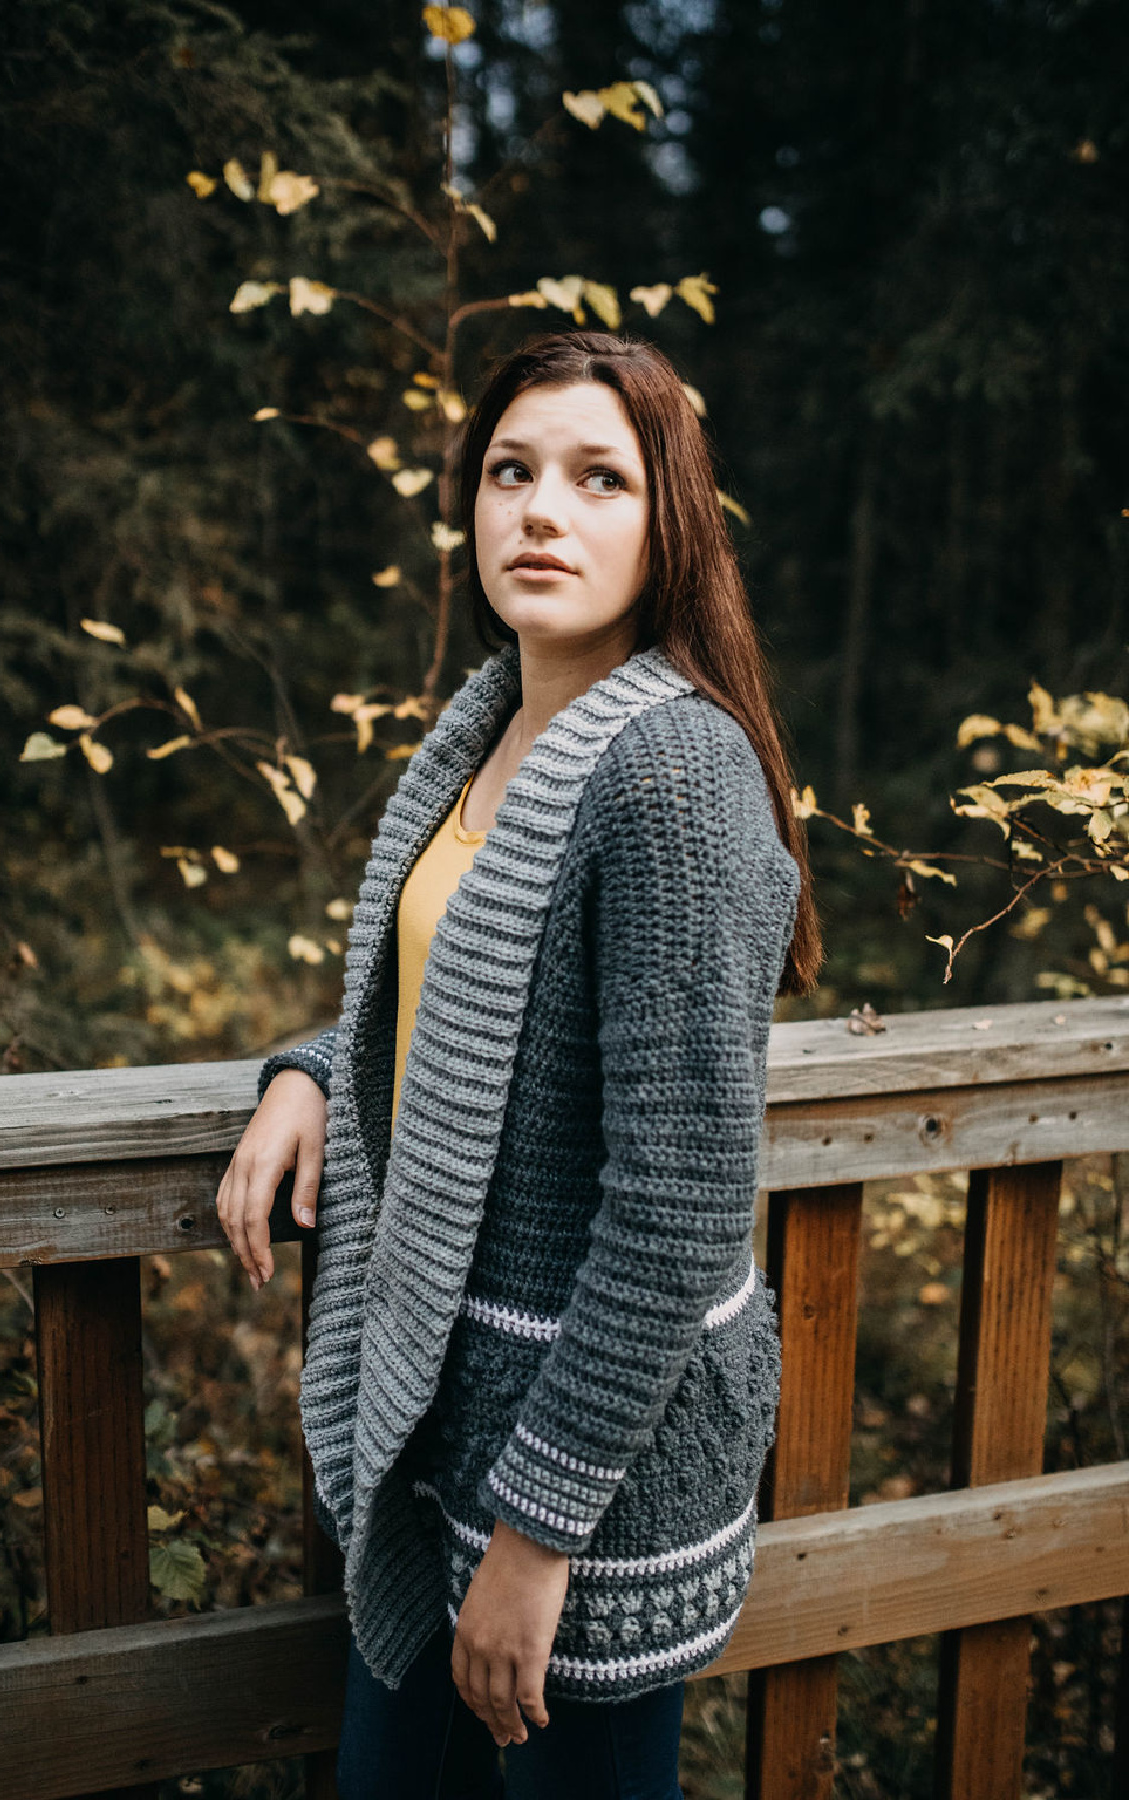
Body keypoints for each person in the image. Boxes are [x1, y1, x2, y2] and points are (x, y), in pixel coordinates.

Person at [216, 329, 822, 1799]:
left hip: (582, 1488)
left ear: (667, 516)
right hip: (437, 1430)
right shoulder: (489, 730)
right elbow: (443, 1009)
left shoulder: (674, 778)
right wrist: (307, 1070)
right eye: (509, 472)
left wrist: (538, 1541)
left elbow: (677, 1213)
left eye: (596, 478)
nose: (540, 511)